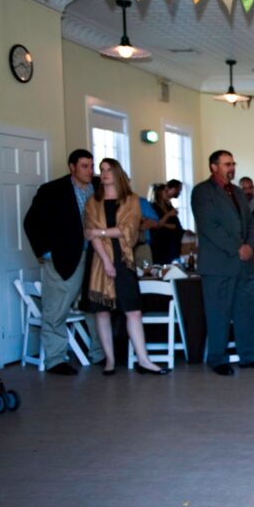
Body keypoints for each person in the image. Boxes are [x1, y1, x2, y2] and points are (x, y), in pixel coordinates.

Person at [81, 158, 169, 376]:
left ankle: (144, 359)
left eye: (108, 170)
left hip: (124, 259)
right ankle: (110, 360)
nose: (104, 174)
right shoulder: (93, 201)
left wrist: (101, 233)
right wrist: (106, 260)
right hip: (99, 261)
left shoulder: (131, 201)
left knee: (134, 311)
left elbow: (127, 230)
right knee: (102, 312)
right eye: (101, 170)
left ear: (118, 173)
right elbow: (88, 233)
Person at [191, 150, 254, 376]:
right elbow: (210, 227)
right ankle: (217, 358)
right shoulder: (202, 192)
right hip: (218, 264)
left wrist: (249, 245)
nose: (232, 168)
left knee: (245, 311)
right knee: (218, 313)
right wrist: (238, 248)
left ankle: (248, 355)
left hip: (243, 264)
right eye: (227, 164)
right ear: (213, 167)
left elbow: (249, 223)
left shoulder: (237, 192)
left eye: (233, 164)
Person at [23, 149, 105, 374]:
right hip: (64, 258)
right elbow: (31, 222)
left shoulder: (99, 187)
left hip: (96, 257)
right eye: (84, 166)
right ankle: (55, 360)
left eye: (91, 166)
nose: (90, 171)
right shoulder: (52, 190)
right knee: (56, 309)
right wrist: (47, 252)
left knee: (97, 306)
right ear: (72, 167)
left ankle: (99, 353)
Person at [149, 180, 185, 265]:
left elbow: (175, 224)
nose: (167, 193)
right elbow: (155, 223)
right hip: (160, 243)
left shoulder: (169, 206)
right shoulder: (153, 207)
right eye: (165, 191)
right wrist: (168, 216)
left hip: (172, 242)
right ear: (159, 193)